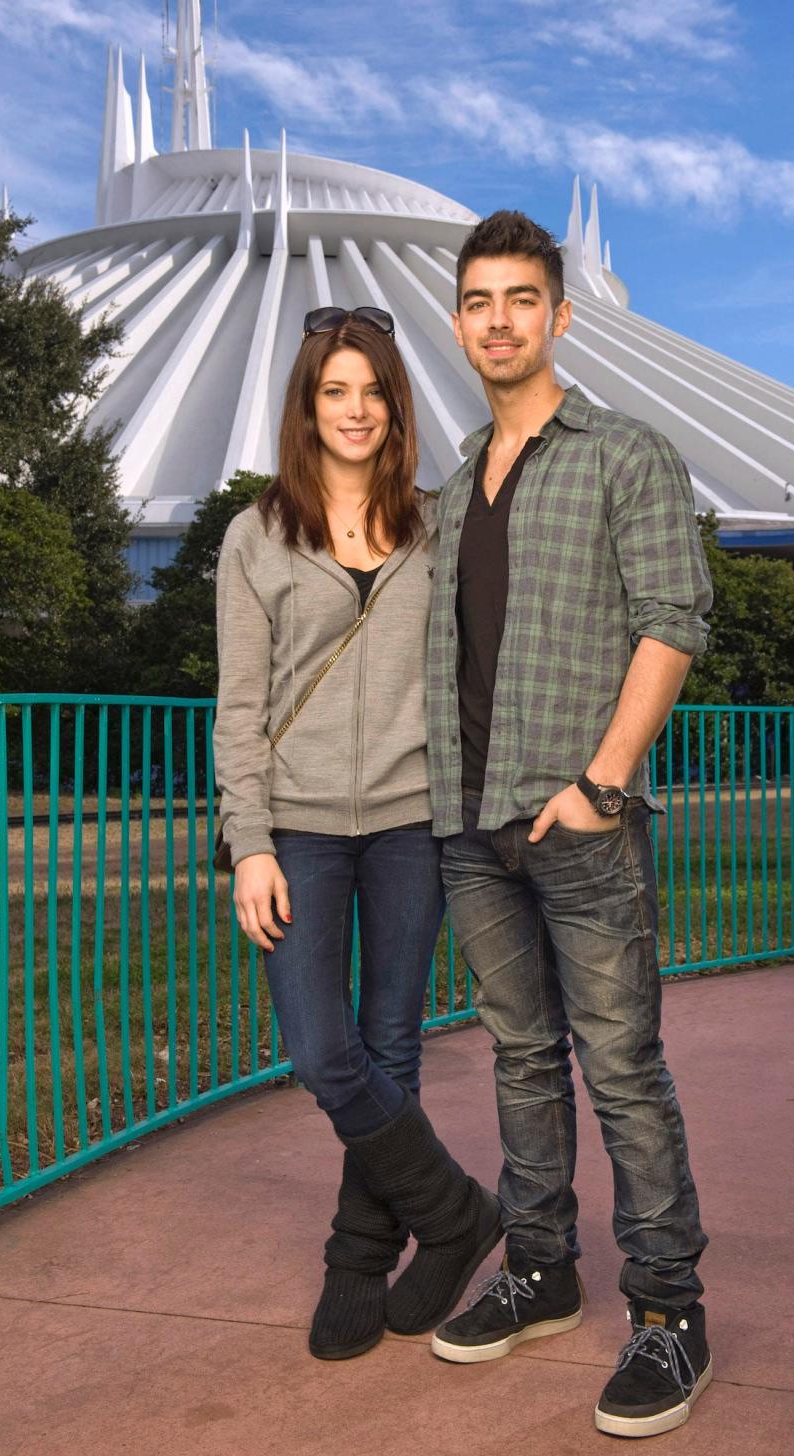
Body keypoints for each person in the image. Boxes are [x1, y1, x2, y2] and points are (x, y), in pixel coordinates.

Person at [425, 212, 714, 1439]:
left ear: (560, 315)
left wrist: (599, 783)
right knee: (520, 1055)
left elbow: (675, 619)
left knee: (621, 1065)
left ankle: (670, 1311)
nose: (499, 320)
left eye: (520, 299)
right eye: (479, 300)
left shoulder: (623, 452)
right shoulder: (452, 486)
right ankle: (541, 1269)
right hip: (469, 817)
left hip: (578, 818)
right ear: (460, 321)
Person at [213, 306, 501, 1364]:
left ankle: (357, 1256)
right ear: (306, 403)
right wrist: (248, 841)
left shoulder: (435, 527)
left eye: (372, 391)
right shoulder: (258, 534)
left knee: (389, 1043)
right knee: (321, 1048)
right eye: (335, 390)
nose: (355, 409)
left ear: (395, 406)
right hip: (295, 827)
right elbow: (237, 705)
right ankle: (460, 1213)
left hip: (409, 822)